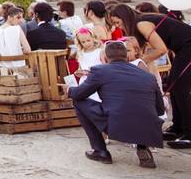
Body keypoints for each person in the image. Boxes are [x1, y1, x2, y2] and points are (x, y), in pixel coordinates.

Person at [66, 40, 163, 168]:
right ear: (127, 57)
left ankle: (100, 151)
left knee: (78, 101)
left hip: (117, 125)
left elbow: (79, 94)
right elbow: (160, 109)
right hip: (149, 128)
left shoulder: (100, 71)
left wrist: (69, 90)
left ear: (105, 57)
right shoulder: (148, 76)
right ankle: (142, 145)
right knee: (139, 109)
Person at [111, 4, 191, 149]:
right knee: (173, 85)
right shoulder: (140, 22)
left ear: (124, 17)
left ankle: (189, 132)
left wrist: (140, 62)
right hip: (183, 49)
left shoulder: (142, 23)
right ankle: (178, 127)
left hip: (188, 47)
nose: (118, 26)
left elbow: (161, 49)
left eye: (118, 22)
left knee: (180, 87)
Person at [0, 6, 31, 71]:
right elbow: (28, 50)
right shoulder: (17, 28)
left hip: (0, 69)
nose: (21, 20)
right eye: (18, 17)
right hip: (18, 69)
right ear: (9, 17)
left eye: (22, 18)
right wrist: (19, 50)